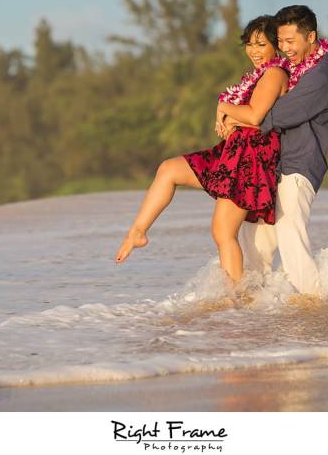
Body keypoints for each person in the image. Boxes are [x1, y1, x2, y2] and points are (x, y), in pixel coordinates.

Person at [114, 15, 287, 284]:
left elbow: (254, 116)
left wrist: (223, 109)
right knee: (169, 169)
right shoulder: (259, 75)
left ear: (275, 46)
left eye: (261, 44)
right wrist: (230, 119)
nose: (253, 50)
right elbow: (251, 117)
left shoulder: (274, 73)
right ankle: (137, 232)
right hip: (234, 151)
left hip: (250, 159)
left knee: (222, 232)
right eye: (249, 44)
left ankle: (235, 298)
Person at [225, 5, 328, 296]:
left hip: (299, 166)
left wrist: (236, 115)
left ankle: (311, 304)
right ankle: (248, 304)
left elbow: (282, 113)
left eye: (291, 41)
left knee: (290, 230)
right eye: (281, 42)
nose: (285, 48)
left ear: (311, 36)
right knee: (255, 239)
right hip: (271, 165)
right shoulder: (290, 69)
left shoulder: (322, 75)